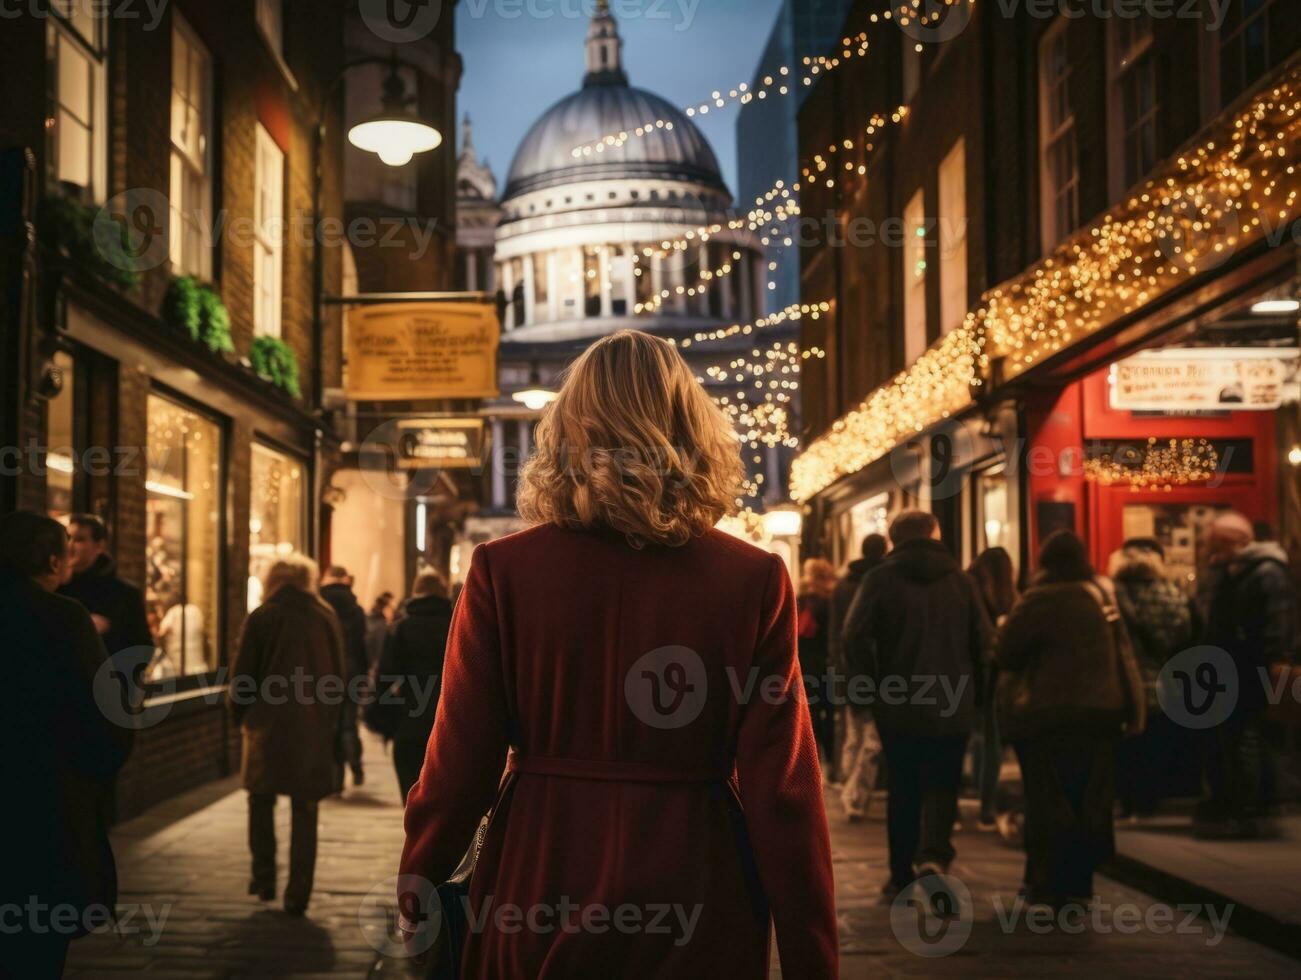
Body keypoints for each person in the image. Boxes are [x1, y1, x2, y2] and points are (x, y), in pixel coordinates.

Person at [397, 330, 837, 978]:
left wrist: (421, 876)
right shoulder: (752, 579)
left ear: (567, 437)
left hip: (542, 865)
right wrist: (811, 956)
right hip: (696, 873)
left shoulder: (503, 571)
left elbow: (459, 759)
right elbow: (785, 793)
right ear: (692, 434)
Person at [1, 512, 132, 978]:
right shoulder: (63, 617)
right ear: (54, 561)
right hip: (41, 806)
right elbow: (105, 720)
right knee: (33, 949)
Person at [842, 510, 990, 899]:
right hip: (952, 701)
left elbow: (854, 636)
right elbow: (983, 642)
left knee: (903, 788)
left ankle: (900, 873)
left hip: (899, 703)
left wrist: (869, 687)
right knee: (943, 785)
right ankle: (934, 857)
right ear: (933, 534)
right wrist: (980, 695)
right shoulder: (960, 581)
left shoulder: (880, 579)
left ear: (894, 538)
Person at [996, 530, 1140, 909]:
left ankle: (1046, 881)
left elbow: (1006, 652)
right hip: (1102, 714)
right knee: (1088, 798)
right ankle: (1079, 884)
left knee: (1047, 798)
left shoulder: (1039, 599)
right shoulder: (1100, 594)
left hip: (1049, 714)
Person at [229, 556, 345, 915]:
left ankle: (263, 878)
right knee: (305, 808)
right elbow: (340, 674)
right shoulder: (325, 615)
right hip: (313, 726)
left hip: (267, 725)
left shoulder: (263, 616)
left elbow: (242, 677)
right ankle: (299, 892)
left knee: (260, 799)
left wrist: (238, 716)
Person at [1197, 512, 1297, 838]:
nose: (1211, 550)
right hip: (1236, 666)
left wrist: (1274, 661)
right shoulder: (1233, 571)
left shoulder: (1266, 572)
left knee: (1255, 737)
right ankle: (1246, 804)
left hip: (1254, 667)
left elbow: (1275, 622)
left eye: (1216, 543)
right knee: (1240, 737)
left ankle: (1257, 806)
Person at [1108, 538, 1196, 817]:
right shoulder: (1172, 594)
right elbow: (1186, 635)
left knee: (1127, 745)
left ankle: (1128, 800)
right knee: (1156, 744)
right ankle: (1151, 800)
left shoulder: (1113, 595)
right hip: (1165, 681)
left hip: (1127, 681)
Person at [377, 574, 454, 801]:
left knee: (411, 796)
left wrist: (385, 720)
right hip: (450, 723)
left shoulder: (401, 629)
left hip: (409, 722)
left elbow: (384, 678)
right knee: (445, 798)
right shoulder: (456, 626)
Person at [831, 533, 888, 823]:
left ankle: (847, 787)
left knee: (853, 736)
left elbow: (836, 635)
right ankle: (855, 793)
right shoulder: (885, 583)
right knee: (872, 741)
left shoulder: (843, 585)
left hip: (848, 672)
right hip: (879, 674)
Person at [59, 513, 154, 672]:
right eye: (68, 538)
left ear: (100, 546)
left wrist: (110, 630)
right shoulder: (56, 589)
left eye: (79, 540)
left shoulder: (124, 594)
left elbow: (143, 650)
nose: (70, 545)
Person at [967, 547, 1019, 829]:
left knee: (976, 737)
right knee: (991, 740)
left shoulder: (967, 588)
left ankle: (971, 796)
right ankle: (986, 806)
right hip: (994, 676)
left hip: (966, 676)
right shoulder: (1007, 597)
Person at [320, 565, 368, 788]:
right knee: (349, 722)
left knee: (329, 724)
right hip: (352, 671)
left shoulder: (319, 604)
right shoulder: (355, 608)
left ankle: (335, 778)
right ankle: (356, 766)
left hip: (325, 672)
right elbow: (361, 645)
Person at [797, 557, 839, 779]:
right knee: (830, 714)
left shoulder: (801, 600)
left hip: (806, 665)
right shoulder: (832, 600)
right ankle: (831, 763)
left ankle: (814, 764)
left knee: (809, 714)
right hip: (828, 665)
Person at [365, 591, 395, 674]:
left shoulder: (368, 619)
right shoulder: (382, 625)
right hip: (375, 667)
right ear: (385, 608)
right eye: (390, 607)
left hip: (366, 665)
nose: (392, 610)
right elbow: (380, 647)